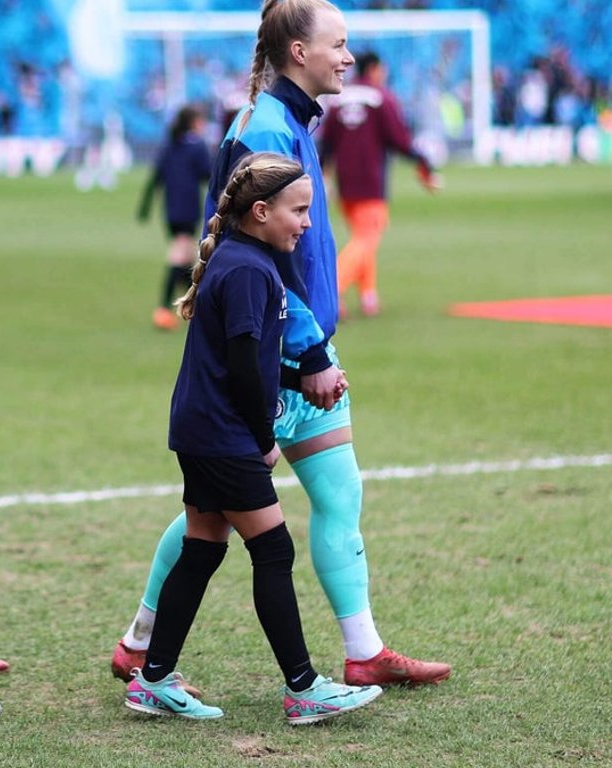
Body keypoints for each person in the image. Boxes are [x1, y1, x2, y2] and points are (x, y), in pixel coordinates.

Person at [112, 0, 451, 688]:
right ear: (298, 52)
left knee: (324, 496)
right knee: (214, 516)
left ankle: (362, 651)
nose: (349, 56)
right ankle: (143, 643)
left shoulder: (284, 120)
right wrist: (313, 352)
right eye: (339, 43)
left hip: (296, 351)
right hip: (273, 360)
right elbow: (258, 259)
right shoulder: (264, 126)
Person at [125, 152, 381, 724]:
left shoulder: (247, 261)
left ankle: (153, 679)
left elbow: (248, 359)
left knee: (202, 548)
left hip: (201, 428)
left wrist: (300, 379)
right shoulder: (247, 270)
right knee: (273, 549)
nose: (308, 223)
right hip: (222, 434)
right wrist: (263, 434)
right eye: (299, 211)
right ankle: (303, 688)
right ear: (261, 211)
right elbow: (242, 369)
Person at [319, 51, 440, 318]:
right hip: (371, 182)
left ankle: (368, 295)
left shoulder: (338, 98)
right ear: (374, 69)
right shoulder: (381, 97)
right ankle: (331, 292)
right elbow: (399, 139)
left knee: (362, 237)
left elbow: (326, 144)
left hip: (345, 183)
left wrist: (322, 174)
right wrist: (423, 161)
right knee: (366, 239)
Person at [137, 105, 211, 331]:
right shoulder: (197, 146)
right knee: (180, 256)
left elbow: (156, 178)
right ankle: (163, 309)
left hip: (170, 211)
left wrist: (145, 206)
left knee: (187, 258)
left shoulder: (170, 146)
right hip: (188, 209)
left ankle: (196, 307)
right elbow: (208, 174)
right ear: (194, 123)